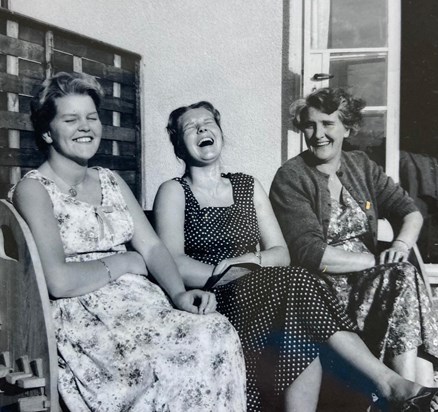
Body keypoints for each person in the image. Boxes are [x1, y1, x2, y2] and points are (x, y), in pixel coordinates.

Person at [153, 100, 438, 412]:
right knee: (299, 282)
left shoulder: (247, 186)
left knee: (298, 311)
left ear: (220, 132)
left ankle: (401, 387)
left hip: (263, 286)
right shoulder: (174, 191)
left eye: (208, 123)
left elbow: (280, 253)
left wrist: (247, 264)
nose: (202, 129)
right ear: (179, 145)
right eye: (190, 128)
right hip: (214, 295)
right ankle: (387, 383)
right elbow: (174, 262)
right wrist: (226, 270)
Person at [9, 72, 246, 412]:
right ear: (47, 131)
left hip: (142, 305)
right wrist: (125, 262)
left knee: (215, 330)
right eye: (71, 119)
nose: (85, 127)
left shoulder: (111, 180)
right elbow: (58, 280)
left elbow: (151, 248)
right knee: (176, 353)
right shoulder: (34, 189)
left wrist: (178, 293)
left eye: (91, 117)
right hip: (85, 319)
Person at [270, 87, 438, 388]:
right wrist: (377, 261)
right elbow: (311, 253)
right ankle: (411, 393)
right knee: (399, 275)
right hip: (323, 291)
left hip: (373, 282)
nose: (318, 133)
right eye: (310, 124)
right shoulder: (291, 176)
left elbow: (410, 213)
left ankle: (414, 392)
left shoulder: (360, 165)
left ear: (347, 127)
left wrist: (399, 246)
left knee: (402, 272)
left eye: (328, 123)